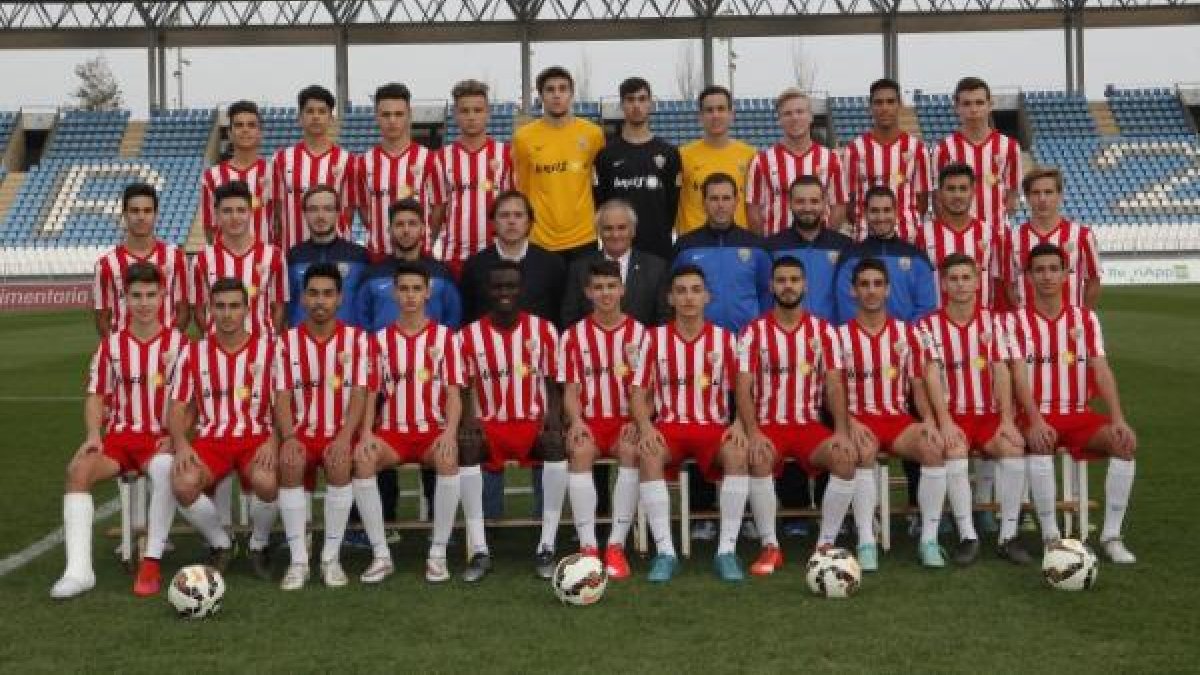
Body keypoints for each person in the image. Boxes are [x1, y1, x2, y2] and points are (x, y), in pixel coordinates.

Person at [51, 263, 188, 599]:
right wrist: (93, 436)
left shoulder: (179, 344)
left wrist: (177, 435)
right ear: (125, 299)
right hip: (119, 439)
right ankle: (79, 572)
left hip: (158, 439)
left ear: (163, 297)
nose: (143, 303)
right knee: (78, 470)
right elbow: (96, 395)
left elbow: (192, 401)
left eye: (150, 295)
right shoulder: (111, 346)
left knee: (165, 469)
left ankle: (152, 559)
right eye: (136, 296)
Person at [1006, 243, 1138, 564]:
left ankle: (1111, 536)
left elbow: (1101, 370)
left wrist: (1118, 418)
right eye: (1040, 270)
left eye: (1054, 269)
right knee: (1039, 443)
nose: (1047, 276)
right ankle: (1052, 536)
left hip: (1078, 414)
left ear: (1067, 274)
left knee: (1123, 445)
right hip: (1035, 414)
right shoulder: (1016, 321)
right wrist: (1035, 420)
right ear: (1028, 276)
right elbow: (1019, 378)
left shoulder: (1085, 319)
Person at [735, 257, 861, 575]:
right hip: (768, 426)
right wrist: (752, 432)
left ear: (805, 285)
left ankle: (825, 544)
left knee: (845, 457)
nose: (788, 286)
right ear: (771, 285)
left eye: (794, 279)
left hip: (808, 426)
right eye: (781, 280)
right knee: (758, 456)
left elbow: (834, 385)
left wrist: (842, 431)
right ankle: (770, 546)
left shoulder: (824, 331)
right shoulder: (753, 331)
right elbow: (743, 388)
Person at [631, 265, 749, 582]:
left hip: (714, 428)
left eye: (695, 290)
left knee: (738, 454)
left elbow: (743, 389)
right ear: (670, 298)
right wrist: (646, 427)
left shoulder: (726, 339)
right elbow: (638, 393)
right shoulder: (654, 339)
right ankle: (666, 552)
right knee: (649, 454)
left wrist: (739, 423)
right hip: (670, 428)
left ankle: (726, 550)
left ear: (707, 296)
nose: (688, 297)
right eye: (681, 291)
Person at [353, 262, 465, 584]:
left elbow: (454, 395)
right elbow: (371, 393)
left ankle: (438, 554)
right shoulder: (379, 340)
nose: (411, 296)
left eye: (417, 289)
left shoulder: (445, 338)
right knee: (363, 460)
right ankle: (380, 555)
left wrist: (449, 433)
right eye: (404, 289)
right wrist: (366, 434)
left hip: (432, 430)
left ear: (428, 292)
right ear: (394, 292)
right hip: (392, 433)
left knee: (448, 458)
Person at [836, 257, 952, 570]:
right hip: (859, 419)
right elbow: (832, 392)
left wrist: (927, 419)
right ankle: (866, 541)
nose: (871, 291)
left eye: (877, 284)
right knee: (862, 450)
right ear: (853, 291)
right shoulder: (839, 337)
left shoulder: (907, 334)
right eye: (864, 285)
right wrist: (849, 422)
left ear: (888, 290)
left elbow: (917, 386)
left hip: (897, 420)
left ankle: (929, 540)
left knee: (933, 446)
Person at [458, 261, 564, 581]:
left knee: (556, 442)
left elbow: (553, 381)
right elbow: (462, 386)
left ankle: (547, 544)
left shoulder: (543, 330)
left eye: (511, 286)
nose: (505, 292)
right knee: (468, 446)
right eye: (499, 287)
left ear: (522, 289)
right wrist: (469, 419)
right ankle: (479, 550)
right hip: (491, 422)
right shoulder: (469, 335)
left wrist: (554, 417)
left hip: (530, 421)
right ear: (489, 291)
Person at [918, 254, 1027, 564]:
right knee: (952, 451)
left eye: (966, 278)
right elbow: (931, 375)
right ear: (944, 284)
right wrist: (945, 421)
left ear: (978, 282)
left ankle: (1008, 535)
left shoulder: (994, 322)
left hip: (989, 416)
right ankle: (968, 535)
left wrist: (1006, 420)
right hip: (955, 415)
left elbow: (1001, 370)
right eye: (954, 279)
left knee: (1013, 448)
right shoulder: (929, 325)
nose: (960, 284)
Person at [168, 278, 280, 580]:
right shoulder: (193, 353)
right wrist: (181, 444)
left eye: (234, 306)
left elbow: (285, 405)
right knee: (182, 484)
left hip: (256, 438)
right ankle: (221, 542)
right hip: (212, 440)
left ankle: (258, 543)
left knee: (267, 482)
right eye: (220, 306)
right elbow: (177, 407)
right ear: (210, 311)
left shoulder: (269, 352)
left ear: (247, 309)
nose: (227, 313)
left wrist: (274, 440)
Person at [272, 264, 371, 590]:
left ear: (340, 299)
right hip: (300, 433)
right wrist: (288, 438)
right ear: (301, 299)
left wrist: (344, 437)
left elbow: (359, 393)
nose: (320, 301)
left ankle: (331, 557)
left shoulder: (356, 340)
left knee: (340, 461)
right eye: (313, 293)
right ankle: (299, 560)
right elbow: (282, 396)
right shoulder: (286, 343)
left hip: (338, 432)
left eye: (328, 294)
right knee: (290, 462)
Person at [559, 260, 647, 579]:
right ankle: (587, 547)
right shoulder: (572, 337)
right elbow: (570, 390)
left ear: (622, 289)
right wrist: (577, 421)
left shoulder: (640, 334)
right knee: (580, 452)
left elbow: (648, 391)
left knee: (630, 452)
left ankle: (615, 545)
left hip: (626, 420)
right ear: (588, 292)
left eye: (611, 286)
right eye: (599, 287)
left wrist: (639, 420)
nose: (606, 293)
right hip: (591, 421)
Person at [512, 66, 606, 262]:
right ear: (541, 96)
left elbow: (599, 183)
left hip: (584, 238)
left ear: (571, 94)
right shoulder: (523, 138)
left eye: (563, 89)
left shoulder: (593, 134)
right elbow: (522, 189)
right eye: (550, 89)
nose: (557, 95)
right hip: (540, 239)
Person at [593, 77, 681, 261]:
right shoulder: (606, 155)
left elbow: (672, 204)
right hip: (618, 249)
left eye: (642, 99)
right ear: (622, 105)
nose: (636, 105)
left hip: (658, 249)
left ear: (650, 103)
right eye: (630, 99)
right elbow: (601, 202)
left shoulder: (669, 153)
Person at [354, 82, 444, 261]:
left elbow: (438, 207)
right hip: (379, 257)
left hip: (419, 257)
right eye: (386, 114)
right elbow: (364, 210)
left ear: (409, 116)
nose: (392, 120)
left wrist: (424, 239)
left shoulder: (429, 159)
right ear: (376, 117)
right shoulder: (363, 162)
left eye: (399, 114)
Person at [433, 79, 514, 279]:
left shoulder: (506, 155)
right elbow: (438, 209)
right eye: (465, 111)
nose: (471, 117)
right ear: (455, 115)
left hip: (495, 256)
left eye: (477, 110)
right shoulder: (441, 158)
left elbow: (513, 206)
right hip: (453, 258)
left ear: (488, 113)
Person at [673, 172, 772, 334]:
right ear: (704, 203)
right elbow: (673, 293)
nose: (720, 205)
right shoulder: (685, 246)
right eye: (714, 199)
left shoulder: (757, 246)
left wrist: (760, 331)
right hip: (699, 339)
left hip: (747, 339)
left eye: (726, 198)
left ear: (736, 202)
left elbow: (767, 293)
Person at [190, 180, 288, 335]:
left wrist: (267, 340)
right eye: (227, 211)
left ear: (250, 212)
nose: (234, 217)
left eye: (241, 210)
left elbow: (279, 306)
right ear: (216, 214)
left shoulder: (274, 255)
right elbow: (199, 310)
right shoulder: (202, 259)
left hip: (261, 350)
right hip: (217, 350)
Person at [746, 88, 847, 237]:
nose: (794, 118)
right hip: (778, 249)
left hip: (819, 248)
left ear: (810, 116)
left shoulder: (831, 159)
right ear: (779, 119)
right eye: (787, 113)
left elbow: (838, 206)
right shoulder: (762, 161)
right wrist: (766, 245)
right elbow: (753, 209)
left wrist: (825, 240)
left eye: (800, 112)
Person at [93, 182, 189, 336]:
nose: (141, 217)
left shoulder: (176, 258)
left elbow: (183, 311)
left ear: (156, 214)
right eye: (135, 211)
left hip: (165, 353)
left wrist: (169, 343)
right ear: (125, 215)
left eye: (147, 211)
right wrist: (118, 348)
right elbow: (102, 318)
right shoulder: (106, 265)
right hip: (125, 355)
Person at [835, 186, 937, 325]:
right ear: (865, 213)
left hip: (906, 340)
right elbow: (845, 304)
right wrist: (870, 333)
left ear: (896, 212)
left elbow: (926, 307)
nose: (881, 217)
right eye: (874, 211)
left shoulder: (916, 257)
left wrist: (904, 334)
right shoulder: (850, 256)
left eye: (886, 210)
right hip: (862, 341)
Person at [460, 190, 565, 324]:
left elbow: (559, 314)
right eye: (504, 215)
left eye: (518, 215)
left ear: (529, 222)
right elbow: (468, 316)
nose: (511, 221)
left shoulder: (552, 264)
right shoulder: (474, 266)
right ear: (493, 222)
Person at [272, 84, 356, 251]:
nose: (316, 117)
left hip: (335, 252)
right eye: (310, 111)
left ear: (331, 118)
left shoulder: (348, 160)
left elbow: (348, 211)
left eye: (322, 111)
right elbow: (277, 210)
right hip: (293, 251)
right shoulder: (281, 159)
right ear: (300, 117)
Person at [560, 199, 669, 329]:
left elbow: (664, 319)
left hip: (643, 347)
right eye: (608, 228)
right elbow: (570, 319)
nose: (615, 234)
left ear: (633, 230)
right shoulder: (579, 268)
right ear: (598, 232)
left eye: (622, 227)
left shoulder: (656, 268)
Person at [845, 78, 931, 242]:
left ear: (900, 105)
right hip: (865, 238)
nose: (884, 108)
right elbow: (850, 203)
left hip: (907, 237)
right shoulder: (855, 149)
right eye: (878, 102)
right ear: (870, 107)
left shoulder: (917, 148)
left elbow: (923, 201)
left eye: (890, 102)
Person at [358, 198, 461, 333]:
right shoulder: (372, 273)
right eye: (399, 224)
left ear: (423, 229)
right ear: (390, 230)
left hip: (430, 352)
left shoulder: (442, 272)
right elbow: (361, 320)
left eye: (412, 224)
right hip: (383, 352)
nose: (406, 230)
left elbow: (453, 319)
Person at [932, 77, 1022, 229]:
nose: (973, 109)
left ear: (990, 105)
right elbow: (937, 198)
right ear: (956, 107)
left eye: (979, 103)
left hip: (997, 234)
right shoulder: (943, 148)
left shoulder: (1010, 147)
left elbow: (1011, 198)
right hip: (957, 235)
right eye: (966, 104)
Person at [1007, 166, 1102, 309]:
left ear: (1060, 195)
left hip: (1069, 327)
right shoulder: (1013, 237)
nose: (1042, 199)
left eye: (1048, 192)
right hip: (1028, 326)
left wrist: (1082, 317)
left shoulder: (1082, 235)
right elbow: (1009, 284)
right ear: (1027, 197)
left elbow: (1093, 281)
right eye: (1036, 193)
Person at [915, 163, 1006, 309]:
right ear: (939, 194)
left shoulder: (989, 233)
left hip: (983, 326)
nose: (957, 195)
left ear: (973, 192)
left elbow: (999, 284)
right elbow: (916, 285)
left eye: (963, 189)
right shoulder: (923, 234)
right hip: (938, 325)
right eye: (951, 189)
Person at [765, 176, 854, 323]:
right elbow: (766, 296)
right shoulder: (772, 246)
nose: (807, 208)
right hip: (785, 336)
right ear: (790, 204)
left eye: (814, 201)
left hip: (831, 336)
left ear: (824, 203)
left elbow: (850, 297)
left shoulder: (844, 246)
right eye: (800, 201)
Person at [675, 85, 757, 236]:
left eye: (721, 109)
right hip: (696, 245)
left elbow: (755, 206)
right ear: (700, 116)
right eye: (709, 110)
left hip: (737, 245)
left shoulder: (750, 155)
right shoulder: (681, 156)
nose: (715, 115)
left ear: (731, 114)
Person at [286, 185, 370, 327]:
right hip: (301, 345)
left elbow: (368, 304)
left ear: (338, 213)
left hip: (348, 344)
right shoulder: (293, 256)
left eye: (327, 209)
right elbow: (285, 305)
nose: (320, 216)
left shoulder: (359, 256)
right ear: (304, 214)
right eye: (313, 209)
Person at [202, 100, 274, 244]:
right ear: (229, 133)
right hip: (225, 262)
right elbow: (210, 227)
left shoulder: (274, 173)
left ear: (260, 133)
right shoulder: (212, 176)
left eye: (251, 125)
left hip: (265, 261)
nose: (245, 130)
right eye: (239, 125)